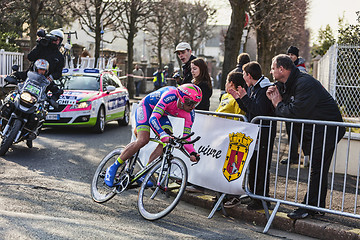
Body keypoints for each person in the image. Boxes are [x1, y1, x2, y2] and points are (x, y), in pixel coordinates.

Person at [266, 54, 345, 219]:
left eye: (273, 68)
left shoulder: (304, 83)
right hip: (316, 129)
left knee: (317, 168)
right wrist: (274, 94)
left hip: (328, 128)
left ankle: (309, 207)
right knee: (318, 168)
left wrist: (278, 103)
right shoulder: (287, 82)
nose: (271, 71)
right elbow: (282, 101)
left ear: (282, 69)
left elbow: (295, 112)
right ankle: (316, 207)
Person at [104, 84, 202, 187]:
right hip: (146, 107)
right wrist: (162, 134)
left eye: (196, 104)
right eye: (190, 103)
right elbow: (153, 119)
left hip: (162, 114)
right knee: (143, 139)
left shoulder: (190, 114)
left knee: (168, 142)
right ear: (182, 99)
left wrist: (192, 152)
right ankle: (113, 167)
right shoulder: (170, 96)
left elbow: (187, 138)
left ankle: (145, 173)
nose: (192, 107)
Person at [228, 61, 276, 210]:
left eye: (244, 74)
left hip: (264, 133)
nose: (243, 77)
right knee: (253, 164)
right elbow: (248, 109)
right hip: (255, 132)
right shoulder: (252, 88)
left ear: (249, 75)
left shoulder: (263, 88)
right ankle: (254, 195)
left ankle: (262, 199)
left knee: (261, 165)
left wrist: (244, 97)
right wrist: (238, 97)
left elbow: (258, 110)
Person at [281, 46, 309, 165]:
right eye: (289, 54)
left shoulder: (300, 70)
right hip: (291, 104)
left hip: (296, 105)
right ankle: (296, 155)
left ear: (297, 56)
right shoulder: (292, 68)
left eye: (293, 55)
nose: (291, 56)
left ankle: (295, 157)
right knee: (292, 132)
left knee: (295, 132)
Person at [24, 28, 65, 102]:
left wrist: (51, 77)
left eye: (58, 40)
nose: (56, 41)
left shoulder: (59, 57)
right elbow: (30, 57)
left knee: (40, 104)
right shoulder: (41, 48)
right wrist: (39, 45)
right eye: (54, 38)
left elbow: (59, 73)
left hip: (44, 83)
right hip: (31, 79)